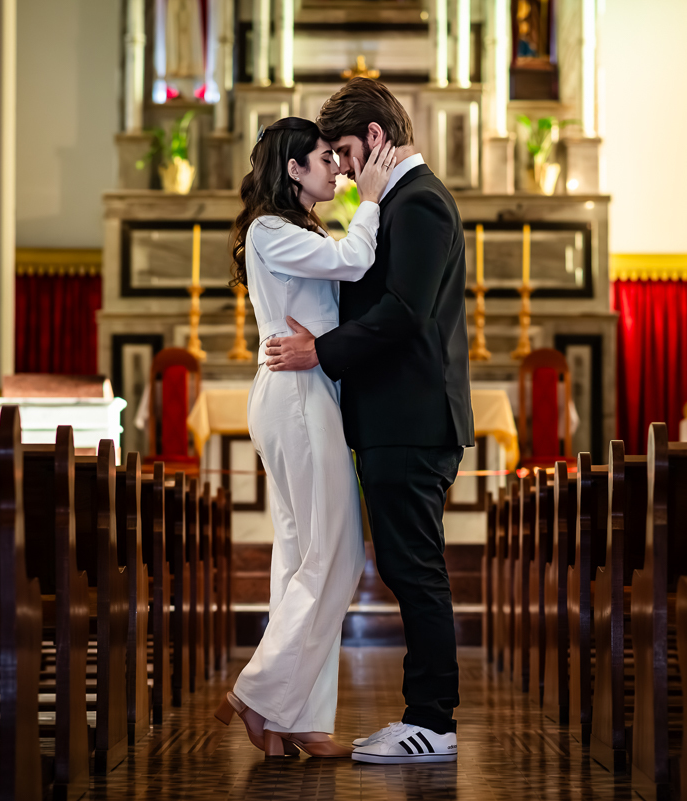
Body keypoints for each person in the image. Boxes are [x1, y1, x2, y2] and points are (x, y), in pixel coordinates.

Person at [265, 78, 474, 764]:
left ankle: (433, 723)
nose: (346, 169)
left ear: (375, 138)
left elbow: (404, 313)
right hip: (394, 417)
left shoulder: (418, 204)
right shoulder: (400, 203)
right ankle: (422, 715)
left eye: (348, 152)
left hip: (411, 419)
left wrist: (317, 349)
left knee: (415, 570)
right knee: (407, 567)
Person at [212, 117, 397, 758]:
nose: (337, 169)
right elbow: (353, 260)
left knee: (298, 561)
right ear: (293, 170)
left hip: (305, 393)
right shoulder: (271, 229)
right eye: (325, 159)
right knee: (337, 556)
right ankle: (258, 692)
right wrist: (369, 202)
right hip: (296, 398)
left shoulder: (296, 228)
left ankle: (294, 720)